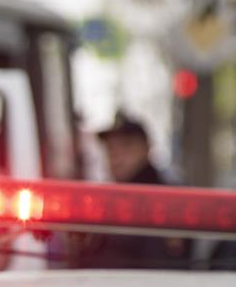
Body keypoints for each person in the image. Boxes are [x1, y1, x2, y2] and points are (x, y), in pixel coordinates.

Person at [68, 112, 191, 270]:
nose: (116, 154)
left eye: (126, 145)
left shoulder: (169, 200)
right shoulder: (106, 201)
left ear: (146, 147)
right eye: (110, 147)